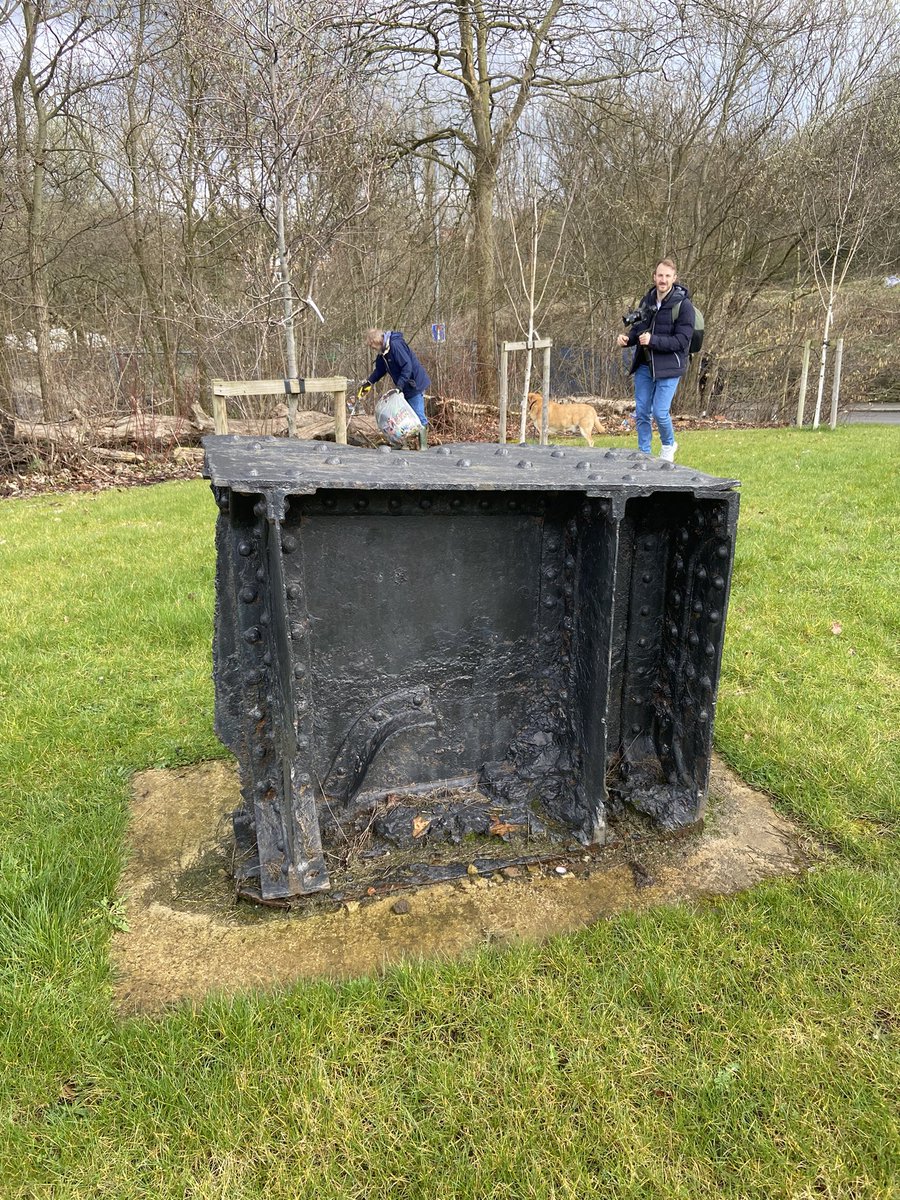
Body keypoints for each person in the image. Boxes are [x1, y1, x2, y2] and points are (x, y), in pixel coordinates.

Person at [616, 259, 695, 462]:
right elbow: (638, 328)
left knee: (660, 412)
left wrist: (653, 341)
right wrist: (627, 339)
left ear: (674, 278)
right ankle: (644, 453)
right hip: (645, 365)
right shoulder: (648, 300)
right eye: (660, 275)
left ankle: (669, 444)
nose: (663, 280)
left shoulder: (684, 306)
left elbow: (682, 341)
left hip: (669, 367)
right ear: (654, 277)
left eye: (667, 276)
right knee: (642, 412)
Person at [357, 329, 430, 427]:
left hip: (414, 383)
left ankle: (424, 435)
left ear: (376, 341)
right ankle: (414, 436)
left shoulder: (395, 346)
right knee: (408, 418)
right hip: (405, 385)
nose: (372, 348)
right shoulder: (383, 352)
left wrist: (400, 386)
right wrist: (369, 383)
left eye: (372, 345)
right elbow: (380, 370)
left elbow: (407, 366)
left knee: (418, 417)